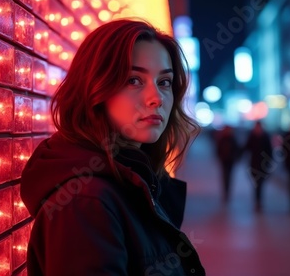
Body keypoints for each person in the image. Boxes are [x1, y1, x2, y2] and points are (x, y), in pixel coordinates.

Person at [19, 19, 205, 275]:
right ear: (95, 87)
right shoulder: (86, 202)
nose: (157, 98)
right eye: (133, 80)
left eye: (164, 82)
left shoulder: (135, 181)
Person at [243, 121, 273, 212]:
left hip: (263, 165)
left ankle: (259, 202)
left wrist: (269, 163)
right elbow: (246, 148)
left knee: (260, 184)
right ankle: (257, 201)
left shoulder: (265, 137)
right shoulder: (252, 136)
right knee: (256, 184)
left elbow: (269, 151)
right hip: (254, 165)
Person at [215, 125, 240, 203]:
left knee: (228, 176)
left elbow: (236, 149)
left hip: (230, 161)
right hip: (224, 161)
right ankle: (226, 192)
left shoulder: (232, 139)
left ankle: (227, 192)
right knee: (225, 176)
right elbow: (218, 149)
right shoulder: (222, 139)